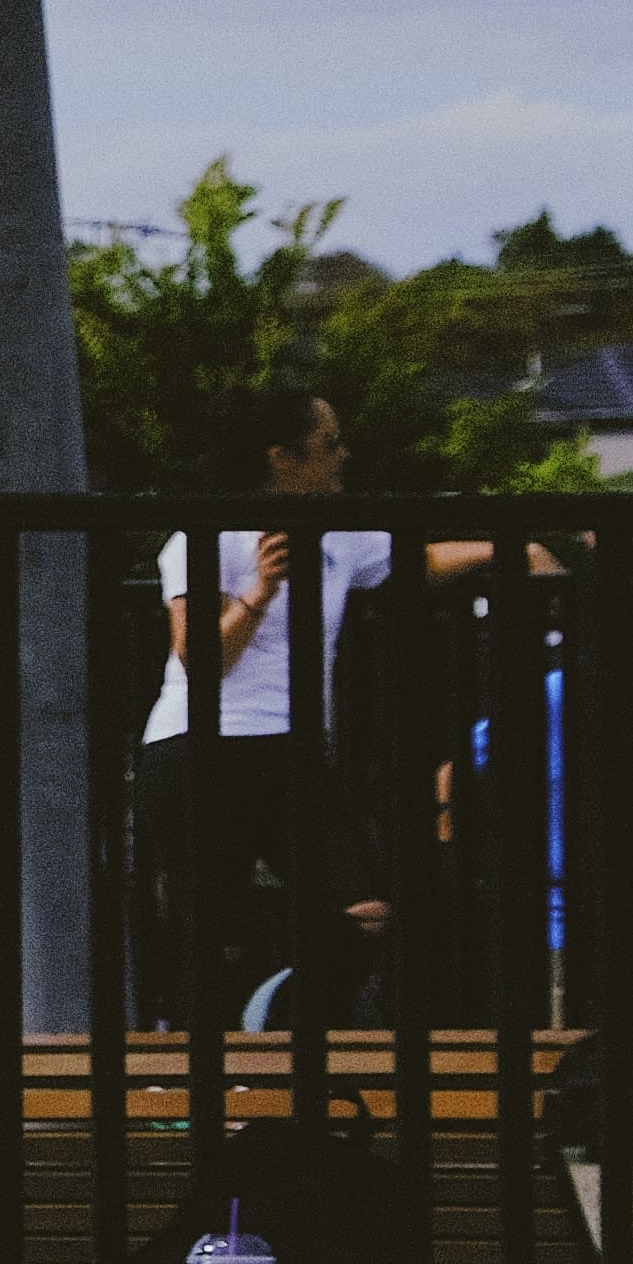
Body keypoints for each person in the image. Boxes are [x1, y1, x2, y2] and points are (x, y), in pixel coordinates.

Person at [138, 382, 496, 1026]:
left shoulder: (336, 534)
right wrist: (260, 592)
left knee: (367, 912)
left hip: (291, 752)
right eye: (327, 446)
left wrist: (509, 547)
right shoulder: (207, 537)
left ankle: (283, 1043)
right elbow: (199, 662)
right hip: (198, 749)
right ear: (282, 458)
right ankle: (212, 1087)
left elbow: (417, 559)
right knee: (205, 935)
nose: (343, 457)